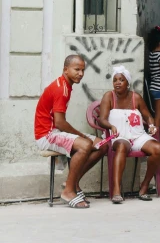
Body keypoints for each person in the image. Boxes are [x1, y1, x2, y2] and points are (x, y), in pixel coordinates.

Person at [34, 54, 109, 209]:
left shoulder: (66, 86)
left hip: (55, 131)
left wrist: (80, 137)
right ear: (65, 69)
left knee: (102, 145)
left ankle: (71, 183)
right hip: (47, 135)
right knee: (85, 145)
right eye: (77, 69)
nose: (80, 73)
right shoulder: (61, 88)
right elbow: (60, 123)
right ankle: (68, 191)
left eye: (83, 70)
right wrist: (81, 136)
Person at [97, 66, 160, 203]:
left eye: (121, 80)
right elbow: (102, 119)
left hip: (138, 136)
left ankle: (144, 186)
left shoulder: (136, 98)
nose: (118, 83)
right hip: (119, 136)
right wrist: (110, 126)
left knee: (158, 149)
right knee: (122, 146)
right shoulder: (109, 97)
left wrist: (151, 126)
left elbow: (148, 116)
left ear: (128, 82)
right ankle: (116, 190)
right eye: (115, 80)